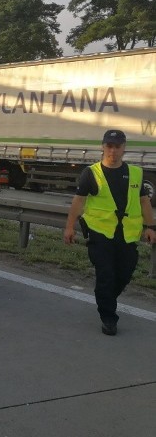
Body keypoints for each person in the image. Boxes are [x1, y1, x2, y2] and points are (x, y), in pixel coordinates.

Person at [64, 129, 156, 335]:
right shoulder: (91, 173)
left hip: (127, 235)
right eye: (109, 146)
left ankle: (105, 298)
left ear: (124, 148)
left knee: (125, 272)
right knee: (106, 274)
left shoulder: (135, 173)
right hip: (99, 233)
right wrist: (69, 227)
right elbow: (79, 201)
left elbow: (143, 201)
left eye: (117, 147)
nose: (113, 151)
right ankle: (108, 317)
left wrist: (151, 227)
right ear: (103, 147)